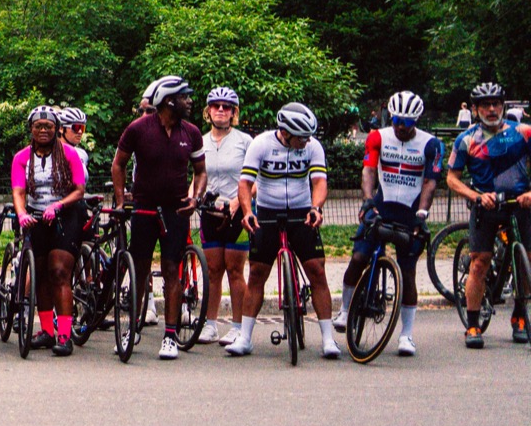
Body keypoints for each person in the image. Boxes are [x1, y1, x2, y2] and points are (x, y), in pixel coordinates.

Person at [336, 91, 443, 357]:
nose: (400, 127)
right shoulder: (378, 137)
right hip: (382, 206)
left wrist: (422, 214)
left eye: (406, 122)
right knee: (359, 256)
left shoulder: (431, 144)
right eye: (396, 120)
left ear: (415, 120)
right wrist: (368, 200)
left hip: (410, 212)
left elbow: (430, 182)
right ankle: (345, 310)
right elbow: (369, 169)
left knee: (407, 273)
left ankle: (406, 335)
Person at [227, 103, 338, 359]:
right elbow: (245, 183)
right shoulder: (262, 144)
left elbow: (319, 181)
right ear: (285, 132)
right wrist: (248, 212)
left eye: (309, 136)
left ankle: (328, 339)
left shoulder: (312, 147)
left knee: (317, 271)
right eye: (301, 137)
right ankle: (245, 338)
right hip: (267, 213)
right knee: (256, 273)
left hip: (301, 213)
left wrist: (316, 207)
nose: (306, 141)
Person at [111, 75, 207, 361]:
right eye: (184, 97)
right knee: (139, 270)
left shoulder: (191, 132)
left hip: (175, 210)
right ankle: (133, 328)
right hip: (144, 208)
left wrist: (195, 198)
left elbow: (201, 171)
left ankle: (170, 335)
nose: (190, 102)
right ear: (168, 101)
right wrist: (120, 199)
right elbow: (119, 164)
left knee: (171, 270)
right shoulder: (138, 129)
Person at [444, 81, 531, 348]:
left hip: (520, 204)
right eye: (485, 105)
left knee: (526, 261)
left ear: (503, 106)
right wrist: (476, 196)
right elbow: (451, 178)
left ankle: (519, 316)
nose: (491, 109)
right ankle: (472, 324)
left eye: (496, 104)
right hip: (486, 206)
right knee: (480, 263)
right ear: (474, 109)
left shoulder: (524, 133)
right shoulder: (467, 139)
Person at [11, 106, 88, 356]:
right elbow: (19, 191)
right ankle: (46, 331)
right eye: (38, 126)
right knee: (41, 275)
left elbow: (79, 189)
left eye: (49, 127)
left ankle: (64, 335)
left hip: (67, 214)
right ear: (31, 129)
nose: (43, 130)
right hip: (36, 215)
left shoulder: (68, 154)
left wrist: (58, 205)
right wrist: (22, 213)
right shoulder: (22, 157)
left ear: (56, 129)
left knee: (58, 271)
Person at [197, 87, 252, 345]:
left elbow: (256, 179)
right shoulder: (201, 141)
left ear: (234, 113)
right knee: (213, 270)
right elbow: (199, 176)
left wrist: (238, 202)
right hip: (210, 211)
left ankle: (238, 326)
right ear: (208, 111)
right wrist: (192, 198)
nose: (221, 110)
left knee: (235, 270)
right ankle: (210, 324)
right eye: (215, 106)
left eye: (226, 107)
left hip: (237, 211)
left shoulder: (245, 141)